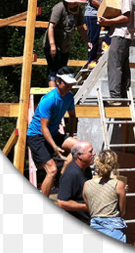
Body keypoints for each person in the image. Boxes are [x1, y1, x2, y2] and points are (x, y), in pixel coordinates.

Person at [27, 68, 79, 198]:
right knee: (51, 170)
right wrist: (55, 147)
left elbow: (73, 117)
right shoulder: (49, 100)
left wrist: (71, 136)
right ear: (57, 82)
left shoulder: (69, 96)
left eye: (71, 84)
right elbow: (44, 127)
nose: (69, 87)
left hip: (53, 133)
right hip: (36, 136)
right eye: (66, 83)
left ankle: (64, 171)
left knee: (80, 147)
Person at [98, 0, 135, 103]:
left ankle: (115, 97)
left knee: (114, 65)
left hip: (121, 34)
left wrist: (108, 21)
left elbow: (126, 16)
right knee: (122, 65)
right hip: (123, 34)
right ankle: (123, 96)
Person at [42, 0, 87, 86]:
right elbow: (51, 27)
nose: (75, 3)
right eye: (73, 1)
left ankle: (61, 93)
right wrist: (52, 45)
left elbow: (80, 28)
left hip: (65, 45)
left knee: (62, 70)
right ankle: (53, 93)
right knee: (53, 69)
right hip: (53, 43)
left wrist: (88, 41)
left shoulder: (78, 10)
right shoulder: (59, 8)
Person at [83, 150, 128, 242]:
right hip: (113, 229)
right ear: (114, 165)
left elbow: (89, 208)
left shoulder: (87, 184)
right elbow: (122, 212)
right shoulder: (119, 184)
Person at [57, 140, 95, 224]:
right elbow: (62, 202)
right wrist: (86, 207)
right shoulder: (71, 174)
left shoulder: (87, 170)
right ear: (79, 155)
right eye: (90, 151)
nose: (94, 153)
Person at [83, 0, 111, 68]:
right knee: (93, 38)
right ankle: (91, 60)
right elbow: (93, 1)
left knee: (113, 25)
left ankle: (106, 42)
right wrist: (105, 8)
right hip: (92, 14)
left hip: (102, 12)